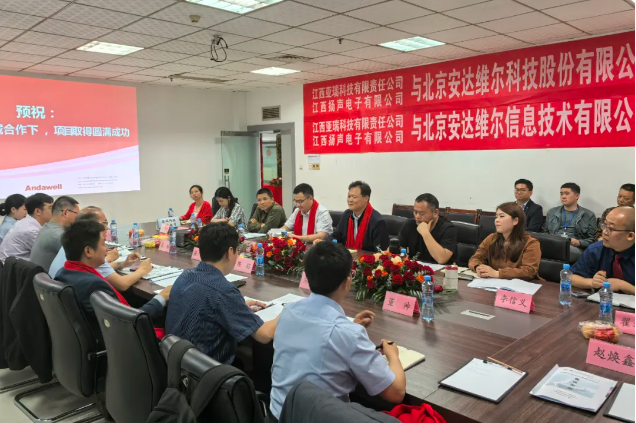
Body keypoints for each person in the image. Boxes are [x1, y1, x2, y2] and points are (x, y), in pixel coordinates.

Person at [269, 241, 406, 419]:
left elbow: (319, 338)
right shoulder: (348, 334)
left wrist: (350, 329)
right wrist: (393, 355)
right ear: (347, 282)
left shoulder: (288, 312)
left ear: (307, 276)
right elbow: (396, 393)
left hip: (276, 416)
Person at [166, 223, 277, 365]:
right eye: (237, 251)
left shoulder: (185, 276)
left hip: (179, 364)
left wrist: (238, 305)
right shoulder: (223, 290)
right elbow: (264, 335)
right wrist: (287, 311)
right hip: (208, 371)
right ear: (230, 252)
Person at [55, 219, 170, 345]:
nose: (106, 249)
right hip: (124, 343)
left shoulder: (65, 272)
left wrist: (122, 264)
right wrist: (161, 297)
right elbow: (128, 322)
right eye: (103, 244)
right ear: (88, 251)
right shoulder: (93, 285)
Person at [48, 207, 153, 288]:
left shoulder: (73, 241)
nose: (107, 227)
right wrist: (142, 270)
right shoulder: (91, 249)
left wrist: (123, 264)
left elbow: (95, 269)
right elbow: (122, 284)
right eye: (104, 223)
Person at [469, 202, 541, 281]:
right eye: (496, 216)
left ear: (515, 221)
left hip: (522, 285)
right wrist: (478, 267)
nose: (496, 220)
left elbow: (529, 271)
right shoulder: (491, 238)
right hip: (494, 283)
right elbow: (475, 258)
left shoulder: (531, 243)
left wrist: (498, 273)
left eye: (502, 216)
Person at [572, 207, 634, 294]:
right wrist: (592, 282)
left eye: (611, 229)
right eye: (604, 226)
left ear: (630, 236)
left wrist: (623, 286)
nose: (604, 232)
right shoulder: (596, 249)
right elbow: (571, 277)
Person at [543, 183, 597, 262]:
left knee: (561, 251)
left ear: (577, 196)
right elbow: (544, 233)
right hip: (553, 243)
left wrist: (578, 242)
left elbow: (592, 240)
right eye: (561, 194)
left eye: (567, 193)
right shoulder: (552, 212)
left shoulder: (588, 215)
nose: (563, 196)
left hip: (574, 247)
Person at [329, 181, 389, 251]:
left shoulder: (378, 222)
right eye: (349, 196)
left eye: (354, 197)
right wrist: (325, 242)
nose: (350, 200)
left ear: (366, 199)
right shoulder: (347, 215)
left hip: (367, 258)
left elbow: (381, 251)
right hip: (347, 256)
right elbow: (335, 236)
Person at [398, 193, 456, 264]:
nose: (417, 216)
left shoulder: (448, 228)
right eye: (415, 212)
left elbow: (442, 259)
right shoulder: (410, 224)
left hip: (442, 270)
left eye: (422, 213)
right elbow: (396, 249)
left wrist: (425, 233)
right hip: (415, 268)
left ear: (435, 213)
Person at [30, 196, 79, 272]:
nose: (78, 218)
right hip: (48, 278)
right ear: (65, 213)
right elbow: (82, 259)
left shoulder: (46, 227)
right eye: (77, 213)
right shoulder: (58, 235)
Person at [0, 193, 53, 263]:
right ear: (38, 211)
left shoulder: (27, 222)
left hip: (15, 265)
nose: (54, 211)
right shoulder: (30, 230)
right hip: (11, 268)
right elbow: (49, 253)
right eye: (50, 208)